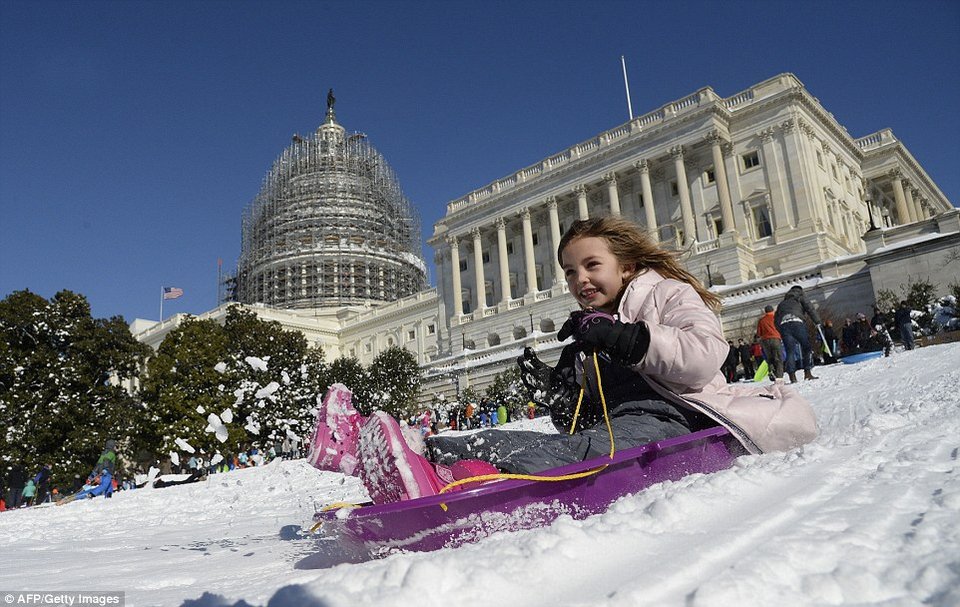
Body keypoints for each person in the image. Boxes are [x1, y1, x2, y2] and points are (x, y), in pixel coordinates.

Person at [309, 217, 817, 505]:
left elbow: (705, 357)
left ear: (627, 266)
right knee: (513, 439)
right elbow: (575, 420)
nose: (580, 280)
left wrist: (626, 339)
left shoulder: (666, 293)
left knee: (570, 456)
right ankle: (405, 450)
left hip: (673, 418)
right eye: (571, 272)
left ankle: (448, 479)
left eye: (592, 265)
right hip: (615, 427)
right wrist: (556, 388)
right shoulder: (586, 330)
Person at [774, 286, 821, 383]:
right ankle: (807, 372)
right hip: (797, 322)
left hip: (784, 325)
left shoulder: (781, 304)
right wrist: (817, 321)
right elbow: (810, 309)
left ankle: (792, 376)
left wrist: (781, 330)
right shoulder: (800, 298)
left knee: (789, 351)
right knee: (806, 347)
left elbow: (776, 319)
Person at [756, 305, 785, 381]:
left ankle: (771, 371)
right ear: (773, 311)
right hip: (775, 339)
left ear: (765, 312)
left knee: (770, 359)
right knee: (778, 358)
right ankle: (779, 376)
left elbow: (758, 334)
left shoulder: (761, 321)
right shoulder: (776, 318)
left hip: (765, 341)